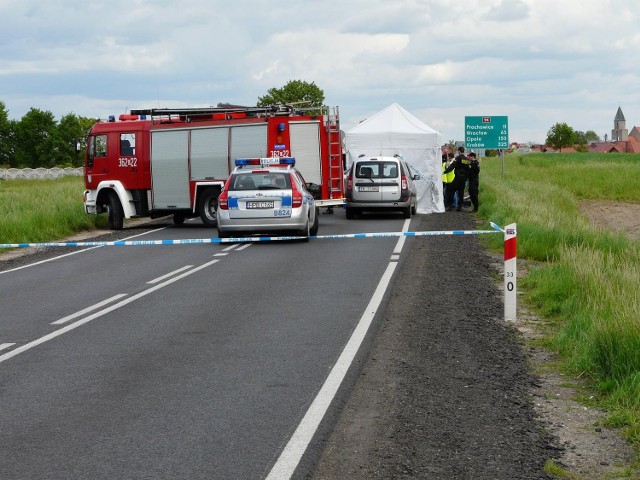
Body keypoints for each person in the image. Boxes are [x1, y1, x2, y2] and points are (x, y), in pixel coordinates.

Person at [443, 146, 471, 211]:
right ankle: (460, 206)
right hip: (463, 178)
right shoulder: (466, 159)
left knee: (451, 190)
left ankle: (450, 205)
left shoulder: (458, 158)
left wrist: (445, 172)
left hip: (457, 177)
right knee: (461, 192)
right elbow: (468, 169)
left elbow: (452, 166)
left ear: (459, 151)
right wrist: (466, 177)